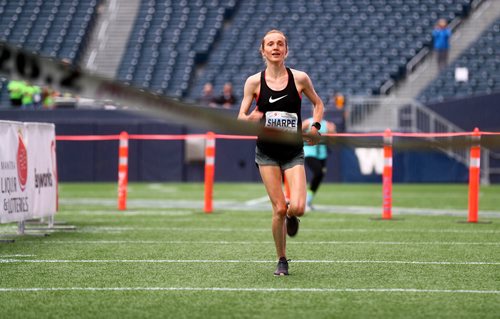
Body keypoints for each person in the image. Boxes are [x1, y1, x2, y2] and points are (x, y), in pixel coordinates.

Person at [237, 29, 324, 276]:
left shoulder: (300, 79)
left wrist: (315, 127)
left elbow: (318, 104)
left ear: (286, 50)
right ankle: (282, 259)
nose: (275, 48)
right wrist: (253, 117)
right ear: (263, 50)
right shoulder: (254, 82)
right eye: (270, 44)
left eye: (280, 44)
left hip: (293, 151)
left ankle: (292, 216)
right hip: (266, 154)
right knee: (278, 209)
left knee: (297, 207)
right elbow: (240, 119)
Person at [302, 116, 336, 211]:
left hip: (322, 154)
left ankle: (308, 200)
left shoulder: (327, 124)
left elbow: (333, 141)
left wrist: (332, 131)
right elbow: (297, 134)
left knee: (320, 176)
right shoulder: (308, 122)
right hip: (309, 152)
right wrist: (307, 138)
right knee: (318, 173)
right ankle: (305, 200)